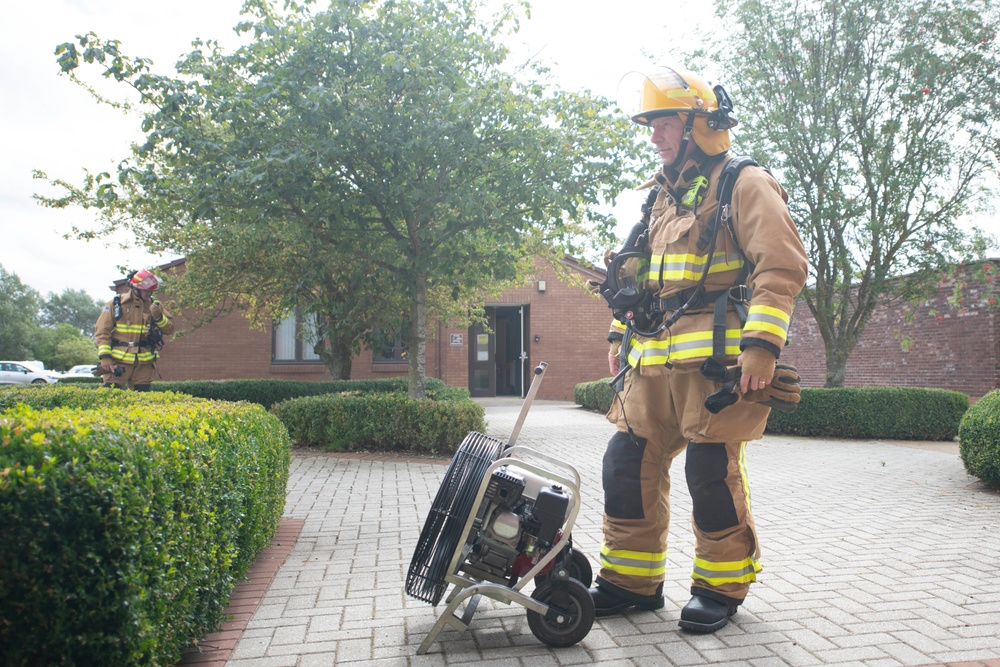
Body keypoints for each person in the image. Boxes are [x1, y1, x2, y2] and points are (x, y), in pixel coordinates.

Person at [590, 67, 808, 633]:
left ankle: (720, 585)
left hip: (717, 369)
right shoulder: (660, 196)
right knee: (625, 466)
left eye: (664, 123)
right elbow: (635, 275)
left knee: (710, 476)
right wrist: (619, 334)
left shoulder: (744, 182)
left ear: (699, 124)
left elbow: (780, 266)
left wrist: (761, 348)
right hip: (651, 364)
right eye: (651, 124)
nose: (654, 135)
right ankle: (630, 581)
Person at [94, 269, 175, 391]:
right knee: (110, 396)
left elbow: (170, 329)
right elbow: (102, 332)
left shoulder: (155, 305)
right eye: (146, 290)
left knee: (141, 399)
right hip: (119, 362)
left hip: (144, 363)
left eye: (151, 291)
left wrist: (158, 317)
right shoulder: (116, 304)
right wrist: (105, 358)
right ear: (135, 288)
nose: (149, 293)